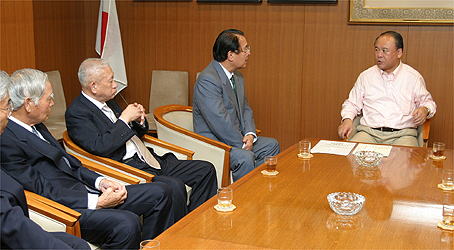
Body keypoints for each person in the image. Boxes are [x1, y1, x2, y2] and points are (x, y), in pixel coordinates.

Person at [0, 68, 175, 249]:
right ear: (29, 104)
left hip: (89, 190)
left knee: (161, 192)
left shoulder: (37, 125)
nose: (53, 103)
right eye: (49, 98)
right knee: (126, 223)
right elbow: (42, 189)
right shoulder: (7, 140)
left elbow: (70, 163)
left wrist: (101, 181)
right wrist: (95, 202)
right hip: (67, 207)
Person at [65, 58, 217, 213]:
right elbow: (100, 146)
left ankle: (196, 220)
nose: (115, 85)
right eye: (110, 81)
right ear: (94, 86)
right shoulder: (77, 113)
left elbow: (133, 134)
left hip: (149, 158)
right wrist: (124, 119)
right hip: (128, 167)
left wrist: (138, 121)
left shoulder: (109, 101)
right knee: (174, 185)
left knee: (205, 170)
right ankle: (179, 231)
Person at [0, 71, 89, 249]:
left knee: (78, 245)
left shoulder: (37, 126)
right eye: (7, 106)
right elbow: (8, 221)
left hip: (21, 222)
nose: (10, 113)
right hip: (16, 229)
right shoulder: (8, 141)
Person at [193, 29, 280, 181]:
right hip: (215, 142)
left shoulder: (237, 77)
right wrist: (241, 144)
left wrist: (250, 134)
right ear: (230, 55)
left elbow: (245, 109)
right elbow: (219, 121)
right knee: (245, 157)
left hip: (237, 139)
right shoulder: (208, 80)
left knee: (271, 145)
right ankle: (245, 199)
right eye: (245, 49)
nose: (249, 53)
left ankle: (257, 189)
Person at [338, 31, 436, 147]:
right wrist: (347, 119)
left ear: (399, 53)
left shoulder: (413, 77)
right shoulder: (366, 76)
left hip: (403, 135)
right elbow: (352, 103)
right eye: (376, 49)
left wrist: (425, 109)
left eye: (384, 50)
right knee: (352, 157)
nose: (379, 55)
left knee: (406, 162)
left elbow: (429, 103)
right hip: (369, 133)